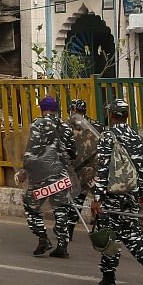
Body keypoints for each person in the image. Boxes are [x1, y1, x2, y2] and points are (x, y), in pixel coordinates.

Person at [88, 98, 143, 285]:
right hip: (131, 196)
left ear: (111, 115)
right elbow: (141, 170)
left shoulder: (107, 137)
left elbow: (103, 169)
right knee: (134, 236)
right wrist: (141, 196)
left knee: (109, 238)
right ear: (126, 116)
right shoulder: (137, 138)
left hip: (111, 197)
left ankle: (108, 281)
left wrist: (97, 198)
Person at [22, 96, 78, 258]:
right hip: (61, 175)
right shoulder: (66, 127)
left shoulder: (37, 125)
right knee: (61, 209)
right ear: (56, 110)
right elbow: (73, 152)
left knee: (31, 205)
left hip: (41, 177)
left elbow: (32, 150)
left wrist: (25, 169)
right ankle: (62, 245)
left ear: (41, 109)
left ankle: (43, 238)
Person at [64, 98, 102, 244]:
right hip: (92, 170)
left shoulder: (67, 126)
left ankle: (67, 228)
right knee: (86, 199)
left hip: (75, 169)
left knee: (71, 199)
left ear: (73, 110)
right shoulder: (95, 126)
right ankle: (73, 228)